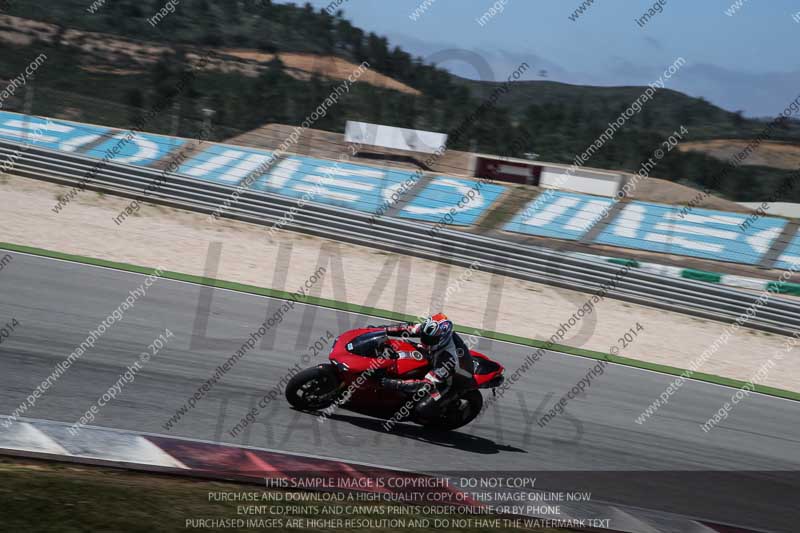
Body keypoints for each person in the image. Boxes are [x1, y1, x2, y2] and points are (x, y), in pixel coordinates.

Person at [378, 313, 475, 420]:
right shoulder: (432, 332)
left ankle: (450, 409)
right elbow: (408, 328)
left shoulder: (448, 359)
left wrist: (395, 384)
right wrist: (380, 329)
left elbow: (427, 385)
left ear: (442, 339)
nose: (424, 340)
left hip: (450, 382)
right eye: (424, 336)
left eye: (429, 340)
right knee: (401, 345)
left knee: (421, 409)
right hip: (434, 358)